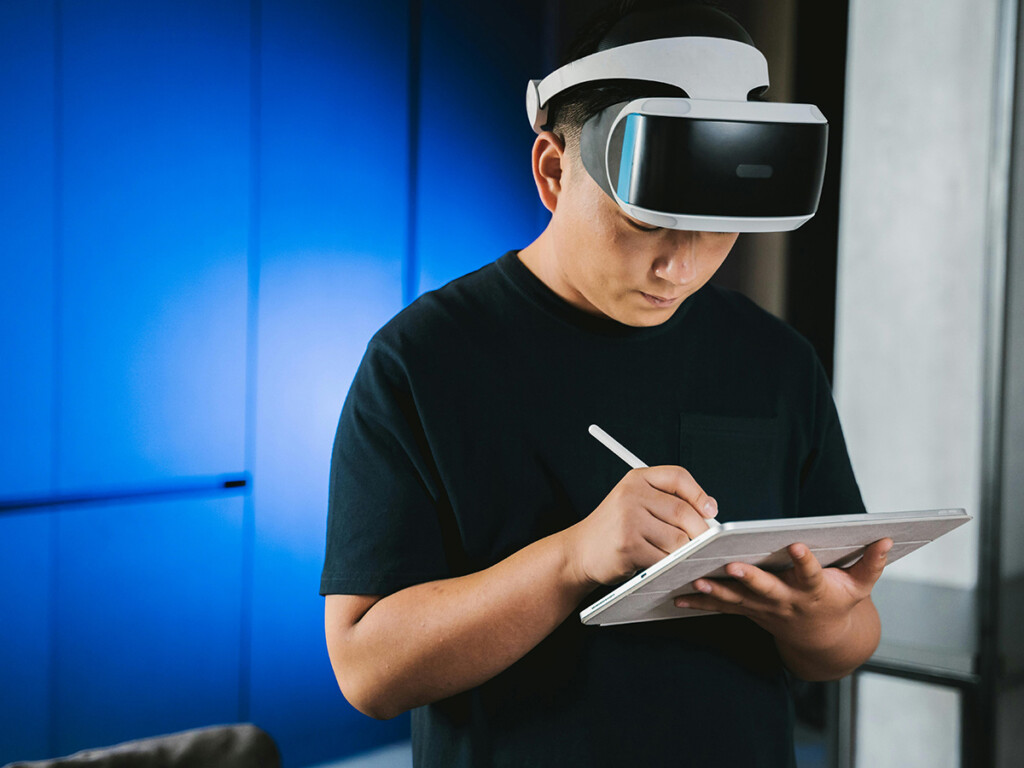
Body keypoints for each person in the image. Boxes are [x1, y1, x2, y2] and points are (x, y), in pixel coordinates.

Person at [321, 1, 892, 765]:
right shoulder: (422, 361)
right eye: (646, 225)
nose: (678, 268)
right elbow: (367, 670)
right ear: (554, 171)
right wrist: (572, 560)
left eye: (714, 228)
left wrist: (815, 621)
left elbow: (847, 640)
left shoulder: (776, 359)